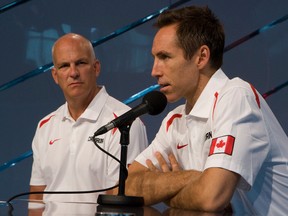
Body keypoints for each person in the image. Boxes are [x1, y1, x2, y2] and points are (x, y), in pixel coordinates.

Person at [120, 5, 288, 215]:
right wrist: (192, 177)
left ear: (201, 57)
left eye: (165, 57)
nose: (154, 71)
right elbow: (126, 187)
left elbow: (211, 197)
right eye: (154, 58)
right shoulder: (175, 119)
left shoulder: (236, 96)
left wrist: (164, 187)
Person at [29, 33, 148, 203]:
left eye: (80, 63)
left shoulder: (125, 122)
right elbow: (36, 195)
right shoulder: (45, 126)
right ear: (55, 76)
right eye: (64, 66)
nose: (73, 73)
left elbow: (122, 198)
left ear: (96, 67)